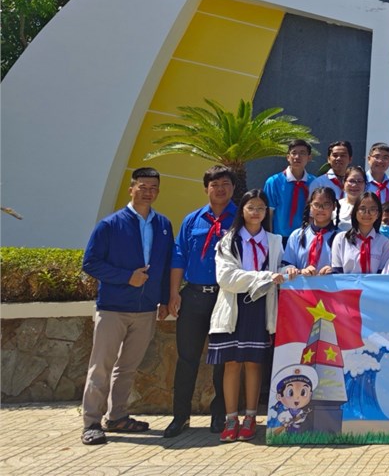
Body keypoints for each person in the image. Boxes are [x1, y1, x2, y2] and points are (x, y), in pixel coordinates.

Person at [80, 168, 173, 446]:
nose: (148, 192)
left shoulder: (164, 224)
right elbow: (90, 263)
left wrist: (165, 299)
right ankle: (91, 422)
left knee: (128, 367)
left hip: (146, 309)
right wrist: (126, 277)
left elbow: (166, 265)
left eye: (153, 187)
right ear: (131, 188)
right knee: (101, 367)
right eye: (143, 187)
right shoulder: (110, 225)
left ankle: (117, 416)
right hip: (113, 308)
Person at [207, 189, 286, 442]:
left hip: (260, 307)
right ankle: (231, 419)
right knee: (231, 363)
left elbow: (281, 269)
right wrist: (265, 276)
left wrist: (291, 271)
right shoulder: (228, 241)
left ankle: (251, 417)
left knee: (254, 363)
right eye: (251, 207)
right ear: (241, 210)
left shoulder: (275, 241)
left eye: (261, 208)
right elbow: (226, 278)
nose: (256, 212)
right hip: (234, 307)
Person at [165, 165, 238, 438]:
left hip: (226, 297)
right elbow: (179, 256)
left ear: (233, 188)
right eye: (214, 184)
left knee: (223, 359)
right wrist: (174, 293)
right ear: (206, 188)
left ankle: (220, 414)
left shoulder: (241, 218)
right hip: (194, 296)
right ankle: (180, 416)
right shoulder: (192, 220)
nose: (220, 189)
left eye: (225, 184)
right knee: (187, 358)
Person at [263, 140, 316, 239]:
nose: (297, 157)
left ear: (309, 157)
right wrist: (269, 239)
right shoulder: (273, 182)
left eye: (302, 153)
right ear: (288, 157)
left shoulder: (314, 182)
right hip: (280, 237)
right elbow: (268, 214)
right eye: (294, 153)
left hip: (306, 236)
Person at [282, 187, 340, 275]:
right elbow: (286, 266)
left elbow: (347, 270)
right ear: (310, 206)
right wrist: (298, 271)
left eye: (326, 204)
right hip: (302, 283)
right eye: (316, 204)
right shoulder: (297, 235)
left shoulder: (341, 237)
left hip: (331, 283)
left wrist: (334, 270)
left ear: (334, 206)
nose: (321, 209)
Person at [331, 191, 389, 274]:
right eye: (362, 209)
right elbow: (337, 272)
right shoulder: (341, 239)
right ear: (355, 212)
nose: (367, 213)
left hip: (374, 283)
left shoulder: (384, 243)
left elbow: (383, 275)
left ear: (378, 214)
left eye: (372, 209)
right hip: (346, 283)